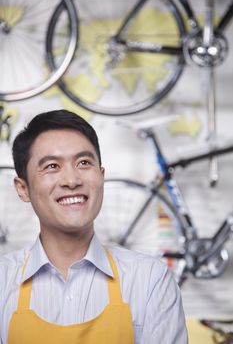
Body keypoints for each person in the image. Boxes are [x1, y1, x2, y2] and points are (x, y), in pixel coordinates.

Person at [0, 109, 188, 344]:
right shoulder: (3, 281)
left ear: (101, 176)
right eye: (51, 166)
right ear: (22, 189)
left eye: (83, 162)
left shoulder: (150, 280)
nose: (72, 180)